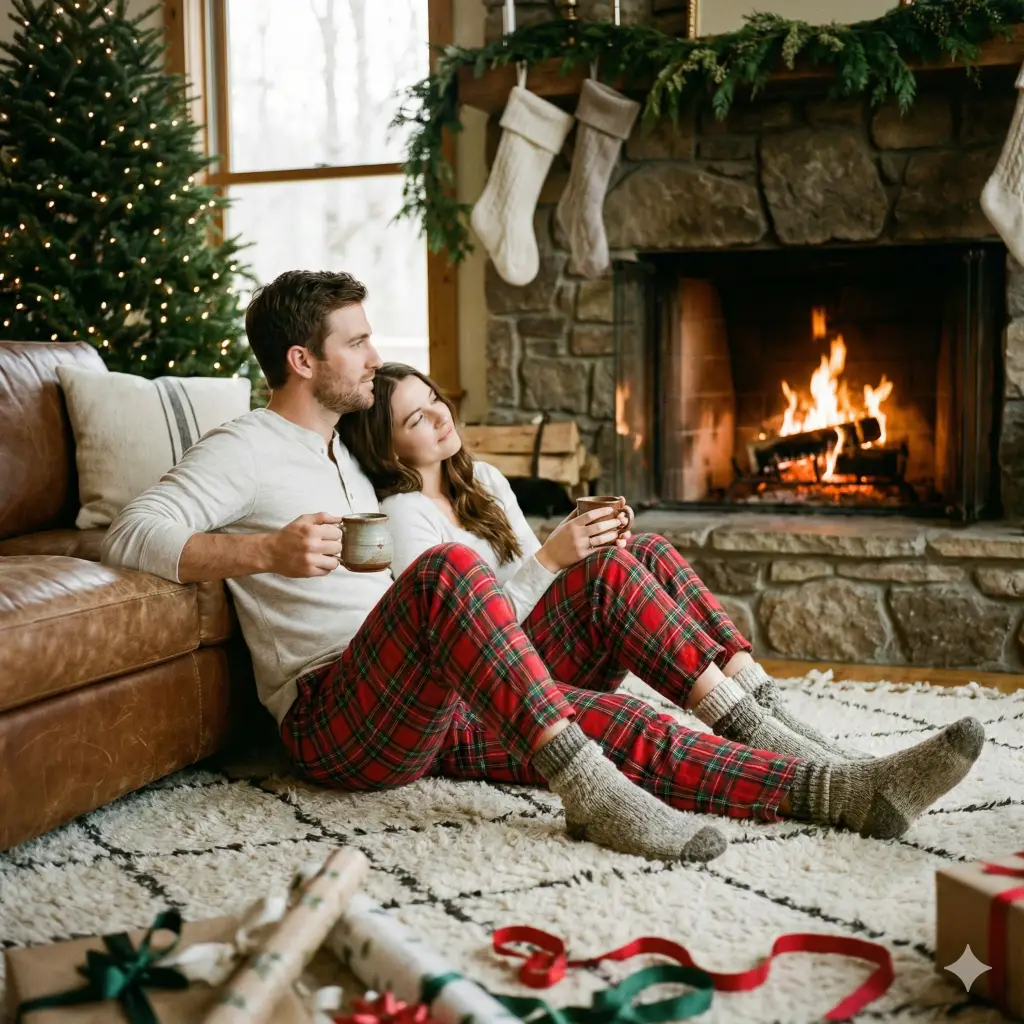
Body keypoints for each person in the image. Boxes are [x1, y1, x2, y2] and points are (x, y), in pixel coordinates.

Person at [102, 270, 985, 867]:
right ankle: (596, 788)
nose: (377, 356)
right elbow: (130, 534)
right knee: (454, 577)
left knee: (611, 610)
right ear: (303, 361)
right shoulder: (247, 447)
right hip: (336, 719)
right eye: (358, 343)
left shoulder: (345, 454)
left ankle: (840, 788)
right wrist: (266, 551)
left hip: (422, 691)